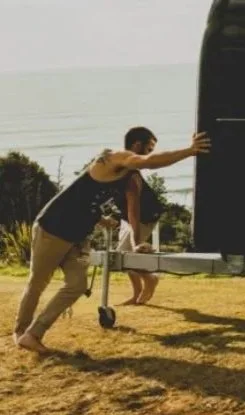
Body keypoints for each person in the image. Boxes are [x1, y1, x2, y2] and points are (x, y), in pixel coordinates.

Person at [13, 127, 211, 354]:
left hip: (77, 236)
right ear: (136, 147)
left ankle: (33, 334)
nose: (148, 153)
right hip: (53, 228)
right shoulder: (114, 157)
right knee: (38, 283)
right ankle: (20, 333)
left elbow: (126, 208)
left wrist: (127, 236)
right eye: (147, 148)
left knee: (77, 286)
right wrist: (189, 151)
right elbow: (148, 162)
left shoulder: (129, 179)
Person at [116, 150, 165, 305]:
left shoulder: (131, 179)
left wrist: (135, 241)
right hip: (128, 217)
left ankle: (150, 279)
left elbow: (134, 212)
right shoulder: (108, 179)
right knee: (125, 256)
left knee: (125, 255)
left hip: (144, 216)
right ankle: (137, 293)